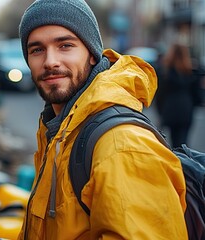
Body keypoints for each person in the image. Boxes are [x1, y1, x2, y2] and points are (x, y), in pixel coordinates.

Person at [17, 0, 187, 239]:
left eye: (65, 45)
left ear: (93, 55)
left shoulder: (123, 145)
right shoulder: (60, 129)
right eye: (37, 50)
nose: (50, 61)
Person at [158, 43, 196, 148]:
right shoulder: (190, 72)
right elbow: (196, 94)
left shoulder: (166, 72)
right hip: (186, 108)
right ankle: (185, 162)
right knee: (184, 141)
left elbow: (160, 94)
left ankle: (177, 161)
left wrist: (161, 112)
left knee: (174, 142)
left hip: (170, 109)